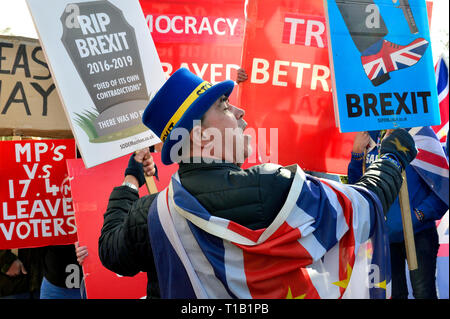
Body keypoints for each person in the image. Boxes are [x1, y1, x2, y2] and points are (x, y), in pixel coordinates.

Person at [99, 68, 417, 298]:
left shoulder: (149, 214)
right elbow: (362, 203)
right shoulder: (273, 186)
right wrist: (392, 156)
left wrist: (130, 180)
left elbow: (111, 252)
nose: (240, 111)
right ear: (199, 137)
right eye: (224, 106)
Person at [348, 129, 449, 299]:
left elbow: (443, 187)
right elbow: (357, 190)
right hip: (384, 238)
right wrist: (357, 155)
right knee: (395, 294)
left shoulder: (421, 133)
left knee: (424, 294)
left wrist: (419, 215)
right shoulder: (368, 136)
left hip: (419, 234)